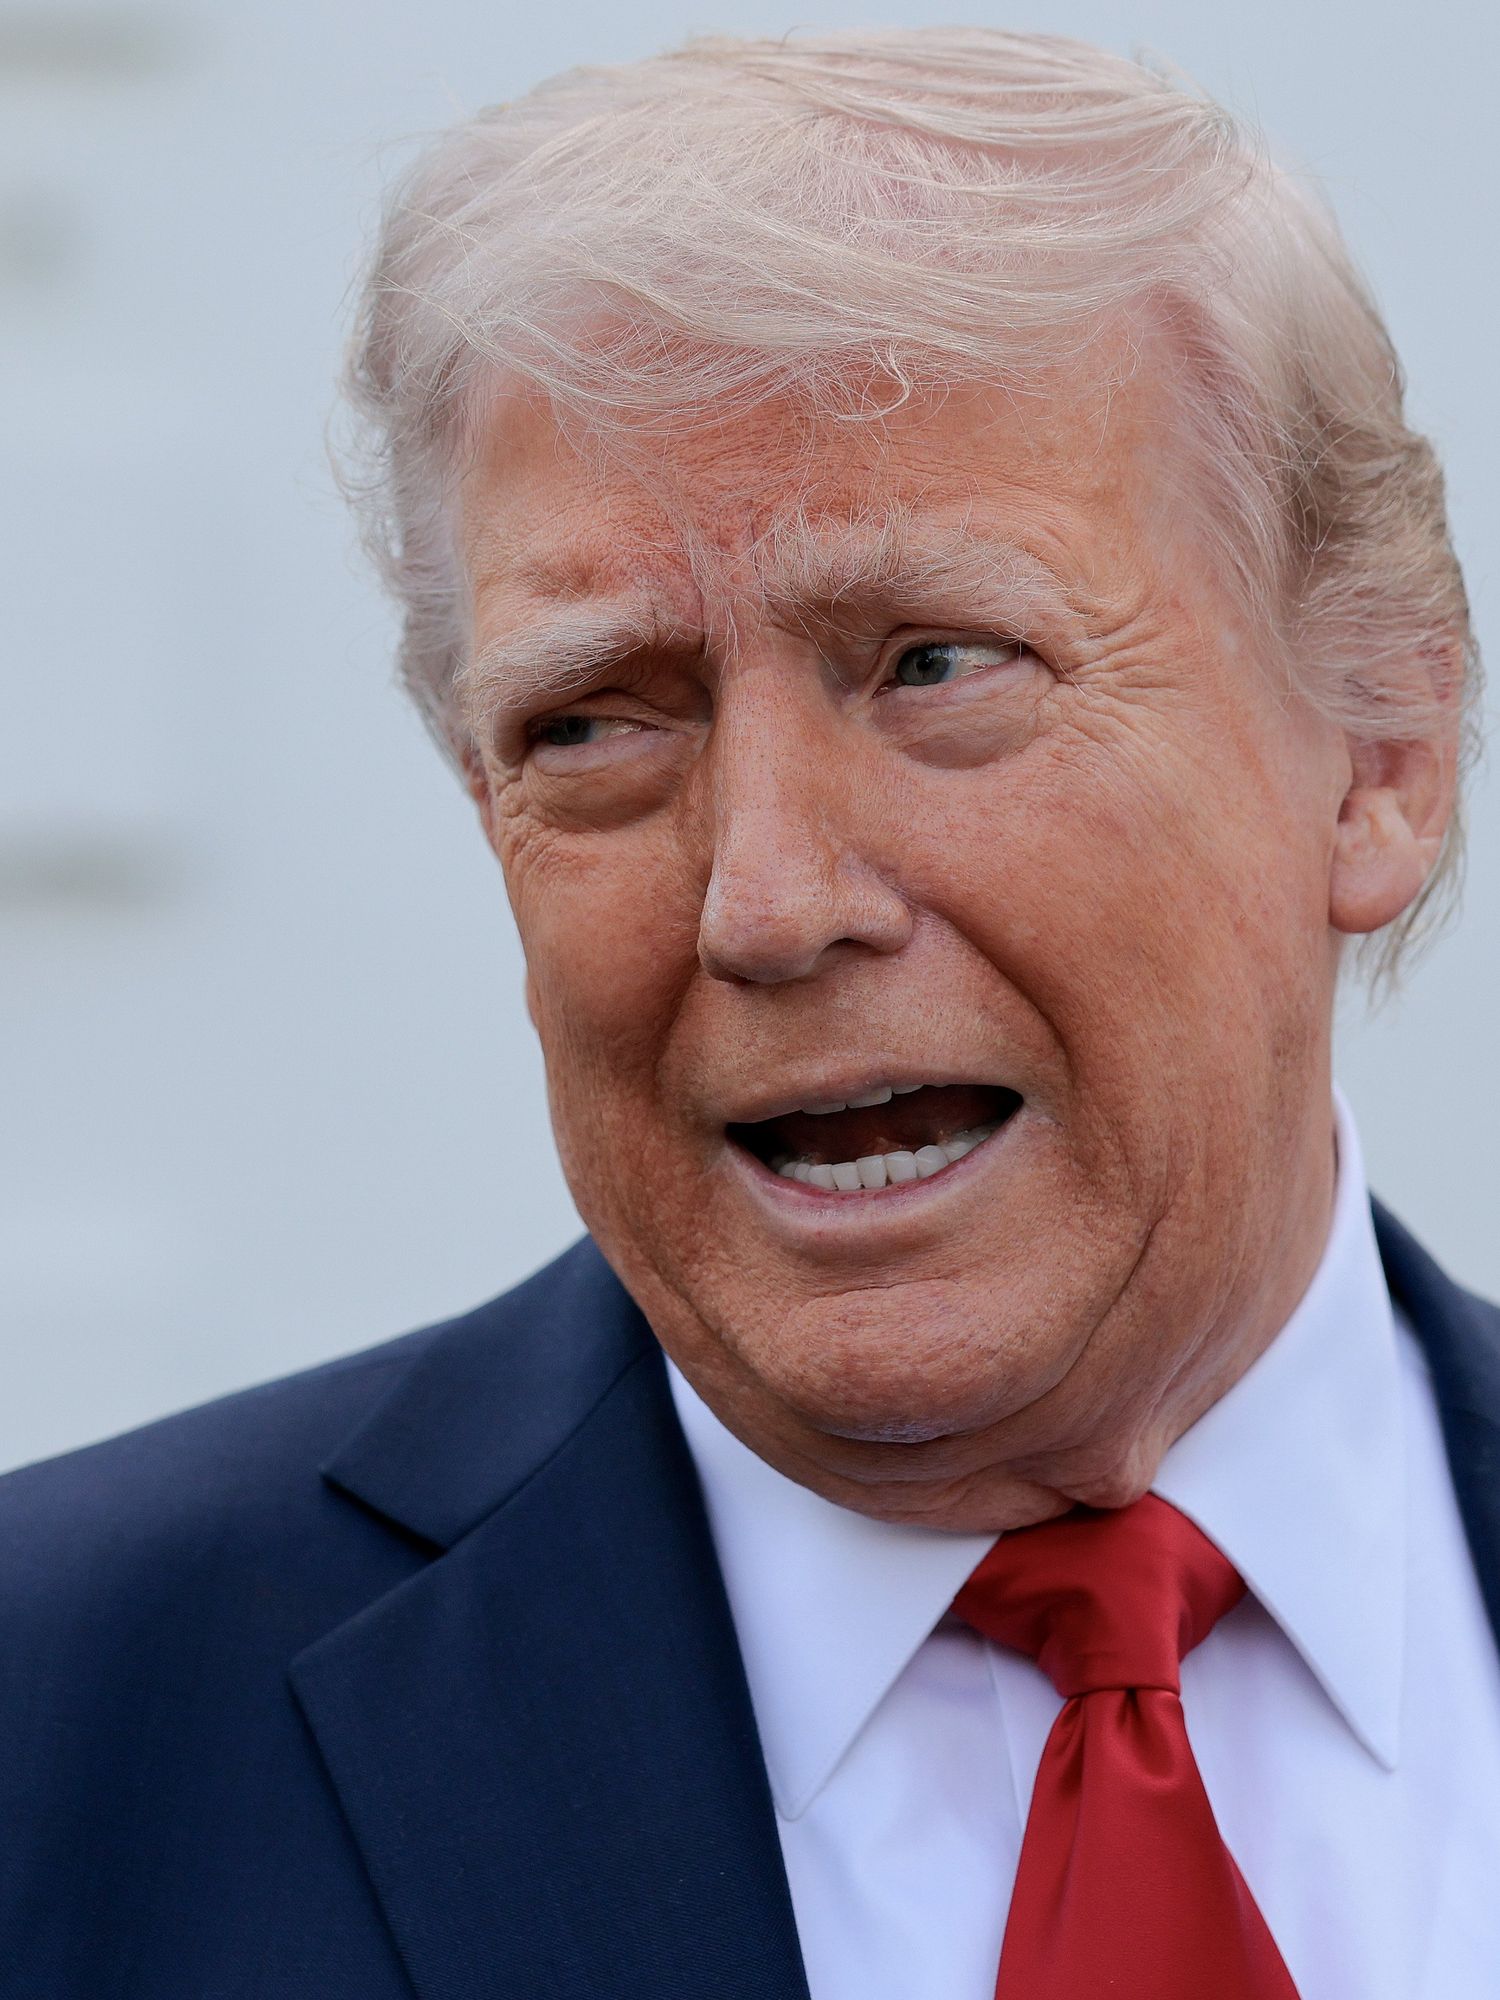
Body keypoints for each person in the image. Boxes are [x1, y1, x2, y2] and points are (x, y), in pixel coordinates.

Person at [1, 27, 1495, 2000]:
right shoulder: (60, 1725)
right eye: (597, 721)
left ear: (1382, 746)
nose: (770, 899)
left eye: (936, 663)